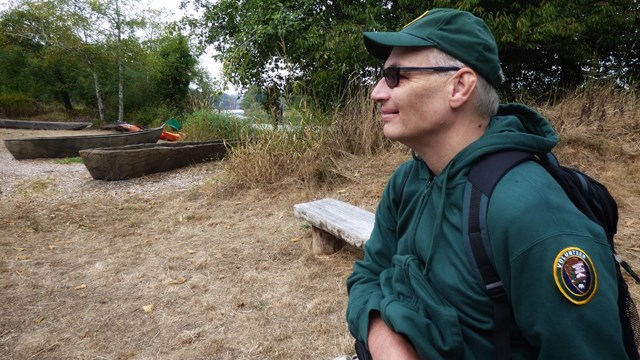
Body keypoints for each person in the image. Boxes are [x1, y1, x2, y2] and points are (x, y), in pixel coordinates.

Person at [345, 8, 628, 359]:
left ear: (459, 86)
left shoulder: (526, 210)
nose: (376, 93)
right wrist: (386, 340)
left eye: (395, 76)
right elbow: (368, 274)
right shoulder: (409, 182)